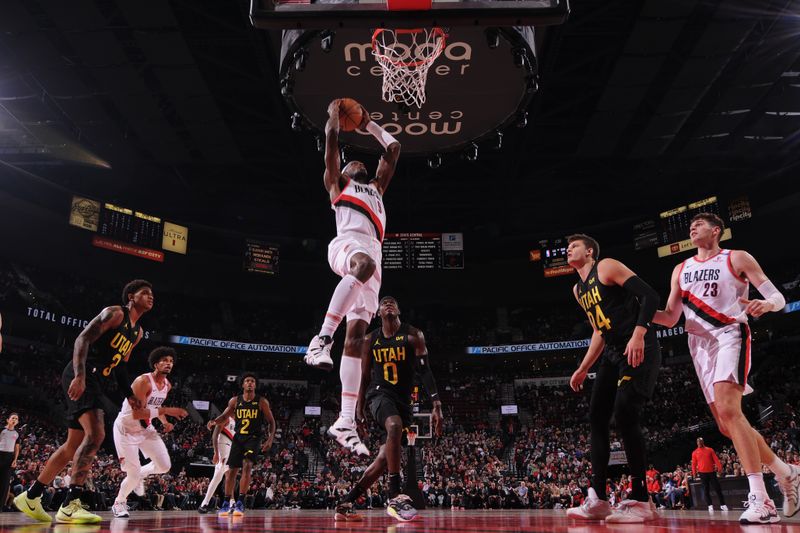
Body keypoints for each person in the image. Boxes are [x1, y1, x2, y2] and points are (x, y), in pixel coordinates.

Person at [654, 212, 799, 524]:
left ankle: (762, 499)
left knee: (731, 413)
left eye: (699, 224)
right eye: (691, 225)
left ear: (716, 230)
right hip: (698, 346)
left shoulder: (737, 258)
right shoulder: (681, 268)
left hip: (729, 334)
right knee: (726, 424)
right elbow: (668, 316)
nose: (693, 227)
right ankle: (786, 473)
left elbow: (778, 297)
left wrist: (768, 304)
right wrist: (635, 313)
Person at [304, 98, 401, 457]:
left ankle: (344, 421)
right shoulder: (338, 184)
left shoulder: (376, 188)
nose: (356, 160)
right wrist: (333, 115)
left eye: (361, 160)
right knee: (364, 267)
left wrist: (370, 126)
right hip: (347, 247)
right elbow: (331, 139)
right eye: (351, 159)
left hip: (372, 256)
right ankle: (320, 339)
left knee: (358, 340)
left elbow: (393, 149)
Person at [15, 280, 154, 524]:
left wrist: (129, 395)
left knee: (72, 445)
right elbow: (83, 339)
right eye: (145, 293)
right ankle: (70, 504)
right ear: (131, 296)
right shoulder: (115, 313)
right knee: (97, 434)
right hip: (83, 373)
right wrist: (79, 375)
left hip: (97, 380)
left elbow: (121, 366)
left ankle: (32, 495)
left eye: (152, 294)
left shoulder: (137, 332)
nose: (151, 296)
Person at [564, 235, 661, 523]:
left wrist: (639, 333)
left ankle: (642, 499)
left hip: (638, 346)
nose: (568, 249)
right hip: (612, 352)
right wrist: (583, 368)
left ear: (590, 251)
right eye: (567, 247)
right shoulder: (578, 289)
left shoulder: (605, 266)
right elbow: (599, 332)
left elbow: (650, 296)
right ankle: (598, 498)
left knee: (625, 415)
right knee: (596, 417)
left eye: (574, 246)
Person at [334, 296, 443, 523]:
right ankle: (394, 496)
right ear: (378, 312)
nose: (388, 304)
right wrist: (357, 408)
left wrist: (436, 404)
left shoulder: (414, 335)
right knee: (393, 425)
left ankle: (345, 503)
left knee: (384, 460)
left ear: (399, 309)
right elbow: (363, 376)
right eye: (383, 303)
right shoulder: (369, 339)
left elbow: (425, 372)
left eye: (393, 302)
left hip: (403, 402)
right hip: (379, 396)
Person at [111, 347, 187, 517]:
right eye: (164, 360)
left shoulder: (167, 385)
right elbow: (137, 412)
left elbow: (154, 407)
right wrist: (168, 411)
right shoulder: (143, 381)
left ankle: (140, 475)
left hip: (145, 429)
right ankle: (119, 503)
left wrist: (165, 421)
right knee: (132, 473)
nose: (168, 363)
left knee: (164, 466)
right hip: (126, 429)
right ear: (155, 364)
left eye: (171, 361)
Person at [207, 373, 275, 518]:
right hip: (238, 438)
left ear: (255, 385)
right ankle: (226, 503)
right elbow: (224, 416)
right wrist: (214, 422)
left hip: (253, 438)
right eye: (247, 381)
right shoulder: (235, 401)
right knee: (231, 472)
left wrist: (269, 439)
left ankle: (241, 502)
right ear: (242, 384)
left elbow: (271, 422)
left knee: (247, 465)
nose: (250, 383)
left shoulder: (261, 402)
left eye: (252, 381)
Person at [198, 415, 236, 513]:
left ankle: (204, 504)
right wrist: (215, 452)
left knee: (219, 477)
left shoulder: (237, 422)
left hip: (230, 448)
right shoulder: (227, 418)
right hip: (222, 446)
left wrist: (213, 422)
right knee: (228, 474)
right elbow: (215, 435)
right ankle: (231, 503)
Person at [690, 437, 728, 512]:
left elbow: (716, 459)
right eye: (698, 442)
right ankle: (710, 505)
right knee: (706, 490)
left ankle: (723, 505)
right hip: (702, 474)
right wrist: (694, 473)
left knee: (718, 488)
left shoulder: (710, 450)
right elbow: (693, 464)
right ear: (697, 443)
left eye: (700, 441)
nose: (699, 443)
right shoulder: (695, 452)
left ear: (703, 442)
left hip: (711, 472)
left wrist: (720, 468)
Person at [0, 413, 20, 512]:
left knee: (5, 483)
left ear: (17, 422)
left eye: (16, 419)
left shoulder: (17, 433)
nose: (14, 420)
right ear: (8, 420)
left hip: (9, 458)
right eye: (12, 418)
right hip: (0, 454)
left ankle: (1, 506)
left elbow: (17, 448)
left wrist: (15, 459)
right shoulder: (2, 430)